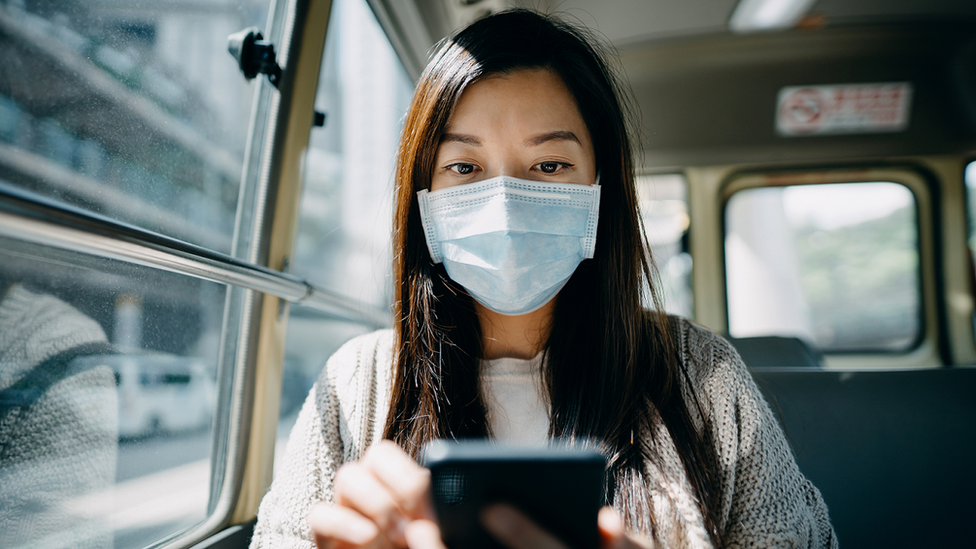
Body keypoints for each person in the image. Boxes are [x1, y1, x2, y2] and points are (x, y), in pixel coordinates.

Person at [250, 9, 837, 549]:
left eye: (550, 165)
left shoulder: (702, 377)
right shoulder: (356, 386)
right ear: (423, 198)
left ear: (600, 190)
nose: (503, 200)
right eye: (465, 167)